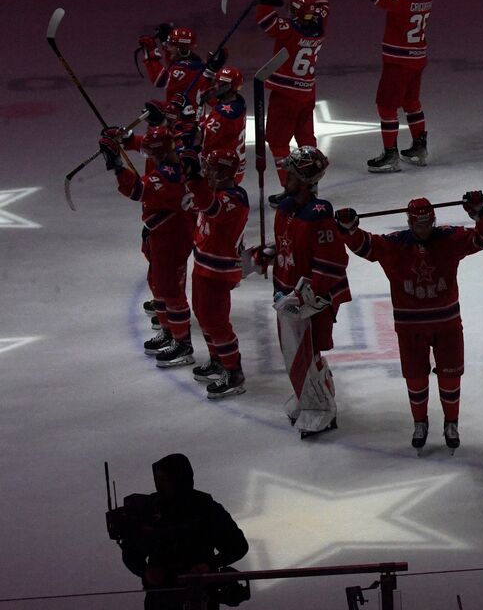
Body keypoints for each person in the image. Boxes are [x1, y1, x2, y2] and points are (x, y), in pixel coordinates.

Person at [336, 192, 483, 453]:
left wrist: (481, 212)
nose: (423, 229)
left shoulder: (449, 238)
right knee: (415, 377)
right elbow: (364, 245)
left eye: (427, 224)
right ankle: (420, 422)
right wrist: (348, 227)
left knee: (450, 376)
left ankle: (451, 423)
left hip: (446, 323)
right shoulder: (394, 244)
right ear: (410, 223)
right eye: (418, 224)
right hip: (410, 327)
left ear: (433, 221)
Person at [254, 147, 351, 438]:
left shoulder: (319, 214)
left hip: (306, 301)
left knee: (305, 354)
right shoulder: (286, 209)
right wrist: (271, 252)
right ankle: (309, 396)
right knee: (294, 354)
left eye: (292, 174)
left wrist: (310, 294)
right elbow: (289, 245)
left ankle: (320, 408)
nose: (285, 177)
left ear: (306, 179)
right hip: (284, 294)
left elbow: (333, 261)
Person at [100, 124, 196, 368]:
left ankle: (183, 343)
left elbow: (135, 190)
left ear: (160, 154)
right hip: (162, 231)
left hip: (172, 236)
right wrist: (126, 138)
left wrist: (115, 163)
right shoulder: (179, 154)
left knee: (172, 291)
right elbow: (151, 142)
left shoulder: (168, 176)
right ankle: (168, 329)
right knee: (158, 283)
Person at [117, 453, 248, 610]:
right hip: (160, 598)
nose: (159, 484)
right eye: (157, 479)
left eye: (164, 479)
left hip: (202, 596)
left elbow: (238, 546)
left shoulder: (207, 509)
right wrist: (146, 572)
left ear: (179, 479)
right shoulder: (149, 508)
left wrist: (208, 565)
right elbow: (131, 552)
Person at [256, 0, 331, 197]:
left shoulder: (288, 30)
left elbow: (265, 19)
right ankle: (311, 184)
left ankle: (290, 190)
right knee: (306, 139)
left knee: (278, 143)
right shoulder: (320, 26)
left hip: (285, 95)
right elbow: (322, 5)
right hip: (307, 93)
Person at [361, 0, 433, 172]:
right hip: (417, 60)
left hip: (398, 62)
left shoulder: (400, 0)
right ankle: (420, 146)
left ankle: (390, 154)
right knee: (412, 102)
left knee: (386, 106)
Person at [187, 149, 249, 399]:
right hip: (203, 264)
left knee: (217, 321)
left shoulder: (234, 199)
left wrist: (194, 178)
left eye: (211, 169)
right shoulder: (216, 192)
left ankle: (233, 371)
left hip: (218, 271)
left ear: (224, 172)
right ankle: (218, 360)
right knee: (202, 313)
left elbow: (210, 207)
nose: (206, 173)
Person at [196, 63, 247, 183]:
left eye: (219, 83)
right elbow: (216, 102)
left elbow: (199, 140)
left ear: (228, 87)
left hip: (221, 169)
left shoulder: (222, 115)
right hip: (234, 165)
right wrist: (207, 77)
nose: (215, 86)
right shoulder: (238, 102)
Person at [137, 24, 204, 104]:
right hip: (188, 113)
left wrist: (150, 52)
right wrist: (165, 40)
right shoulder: (193, 65)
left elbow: (159, 80)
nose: (168, 48)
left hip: (182, 115)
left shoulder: (184, 69)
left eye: (171, 45)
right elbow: (173, 63)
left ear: (182, 48)